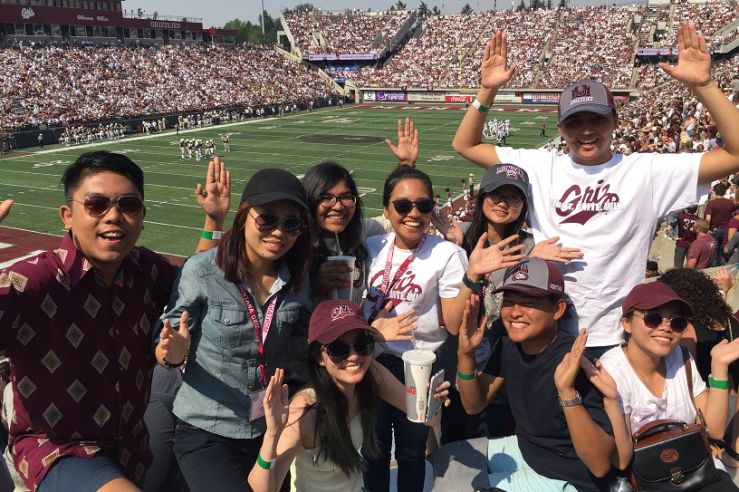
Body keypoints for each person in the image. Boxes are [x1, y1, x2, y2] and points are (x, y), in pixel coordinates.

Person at [452, 23, 739, 357]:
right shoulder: (542, 166)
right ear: (560, 128)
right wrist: (487, 90)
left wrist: (704, 85)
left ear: (615, 121)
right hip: (548, 331)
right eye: (575, 122)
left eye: (597, 120)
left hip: (619, 337)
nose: (586, 131)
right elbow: (465, 143)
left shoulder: (645, 171)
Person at [0, 151, 229, 491]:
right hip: (58, 449)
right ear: (67, 215)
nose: (114, 216)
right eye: (96, 204)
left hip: (132, 445)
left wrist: (213, 222)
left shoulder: (145, 269)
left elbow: (190, 288)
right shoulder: (32, 280)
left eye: (128, 205)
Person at [160, 168, 314, 492]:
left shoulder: (298, 279)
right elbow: (168, 341)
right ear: (244, 216)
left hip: (267, 427)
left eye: (291, 224)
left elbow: (302, 349)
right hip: (207, 426)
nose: (278, 232)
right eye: (267, 219)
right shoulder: (202, 270)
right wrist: (172, 354)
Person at [246, 300, 450, 492]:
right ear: (319, 357)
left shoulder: (372, 376)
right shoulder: (306, 410)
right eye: (338, 349)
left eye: (362, 344)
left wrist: (431, 401)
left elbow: (429, 419)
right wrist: (272, 434)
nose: (354, 356)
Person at [456, 259, 619, 491]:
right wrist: (465, 354)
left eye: (528, 303)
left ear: (558, 309)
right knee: (446, 460)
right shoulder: (508, 345)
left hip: (569, 478)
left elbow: (600, 465)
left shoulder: (575, 361)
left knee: (455, 487)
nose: (514, 312)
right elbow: (474, 405)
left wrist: (567, 391)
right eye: (509, 302)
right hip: (527, 452)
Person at [361, 166, 468, 492]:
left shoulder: (447, 253)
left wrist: (473, 270)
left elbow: (452, 323)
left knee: (411, 453)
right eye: (403, 206)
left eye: (423, 205)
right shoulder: (370, 246)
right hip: (371, 362)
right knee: (374, 453)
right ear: (386, 209)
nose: (414, 213)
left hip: (418, 364)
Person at [599, 282, 739, 488]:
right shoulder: (612, 370)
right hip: (647, 479)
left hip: (694, 468)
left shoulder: (681, 357)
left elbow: (715, 431)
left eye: (677, 322)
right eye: (653, 317)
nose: (666, 327)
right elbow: (620, 460)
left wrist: (718, 367)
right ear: (626, 323)